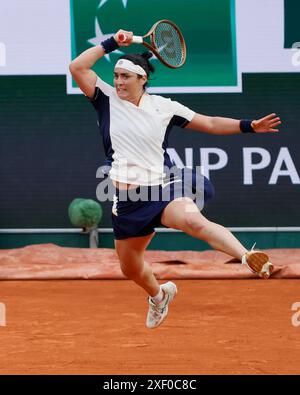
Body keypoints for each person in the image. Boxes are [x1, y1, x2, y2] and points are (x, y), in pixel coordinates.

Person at [69, 29, 281, 329]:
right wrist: (112, 43)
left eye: (125, 77)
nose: (118, 82)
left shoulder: (164, 107)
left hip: (163, 185)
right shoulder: (105, 98)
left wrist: (248, 126)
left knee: (193, 221)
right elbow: (77, 67)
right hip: (130, 202)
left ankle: (248, 256)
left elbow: (208, 123)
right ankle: (159, 296)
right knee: (130, 268)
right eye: (116, 76)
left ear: (142, 79)